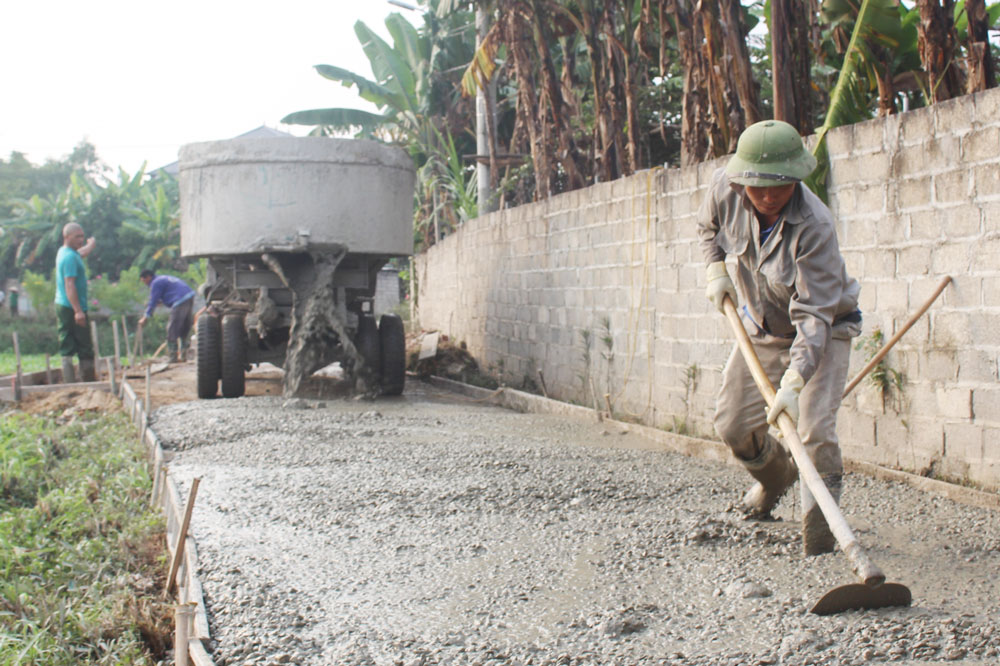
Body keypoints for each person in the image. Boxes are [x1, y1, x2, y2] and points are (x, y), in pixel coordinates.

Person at [697, 119, 862, 556]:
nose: (769, 196)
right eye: (759, 187)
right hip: (764, 327)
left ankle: (822, 533)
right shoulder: (724, 188)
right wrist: (716, 268)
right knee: (734, 425)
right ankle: (777, 479)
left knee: (813, 431)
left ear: (796, 177)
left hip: (824, 330)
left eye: (781, 185)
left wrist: (793, 383)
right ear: (741, 177)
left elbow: (813, 315)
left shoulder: (815, 226)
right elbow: (708, 229)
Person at [55, 223, 97, 382]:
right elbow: (69, 284)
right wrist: (78, 311)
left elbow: (80, 253)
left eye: (82, 236)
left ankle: (74, 380)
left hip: (64, 304)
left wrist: (90, 245)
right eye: (77, 237)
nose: (81, 239)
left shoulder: (66, 252)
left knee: (68, 339)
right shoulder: (69, 257)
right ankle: (82, 382)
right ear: (67, 237)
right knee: (83, 344)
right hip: (71, 306)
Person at [138, 270, 195, 362]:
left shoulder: (155, 283)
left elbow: (153, 301)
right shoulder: (162, 278)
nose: (145, 284)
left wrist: (145, 317)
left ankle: (173, 357)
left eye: (144, 281)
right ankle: (184, 354)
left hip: (180, 300)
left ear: (148, 277)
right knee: (184, 327)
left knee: (172, 328)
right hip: (189, 296)